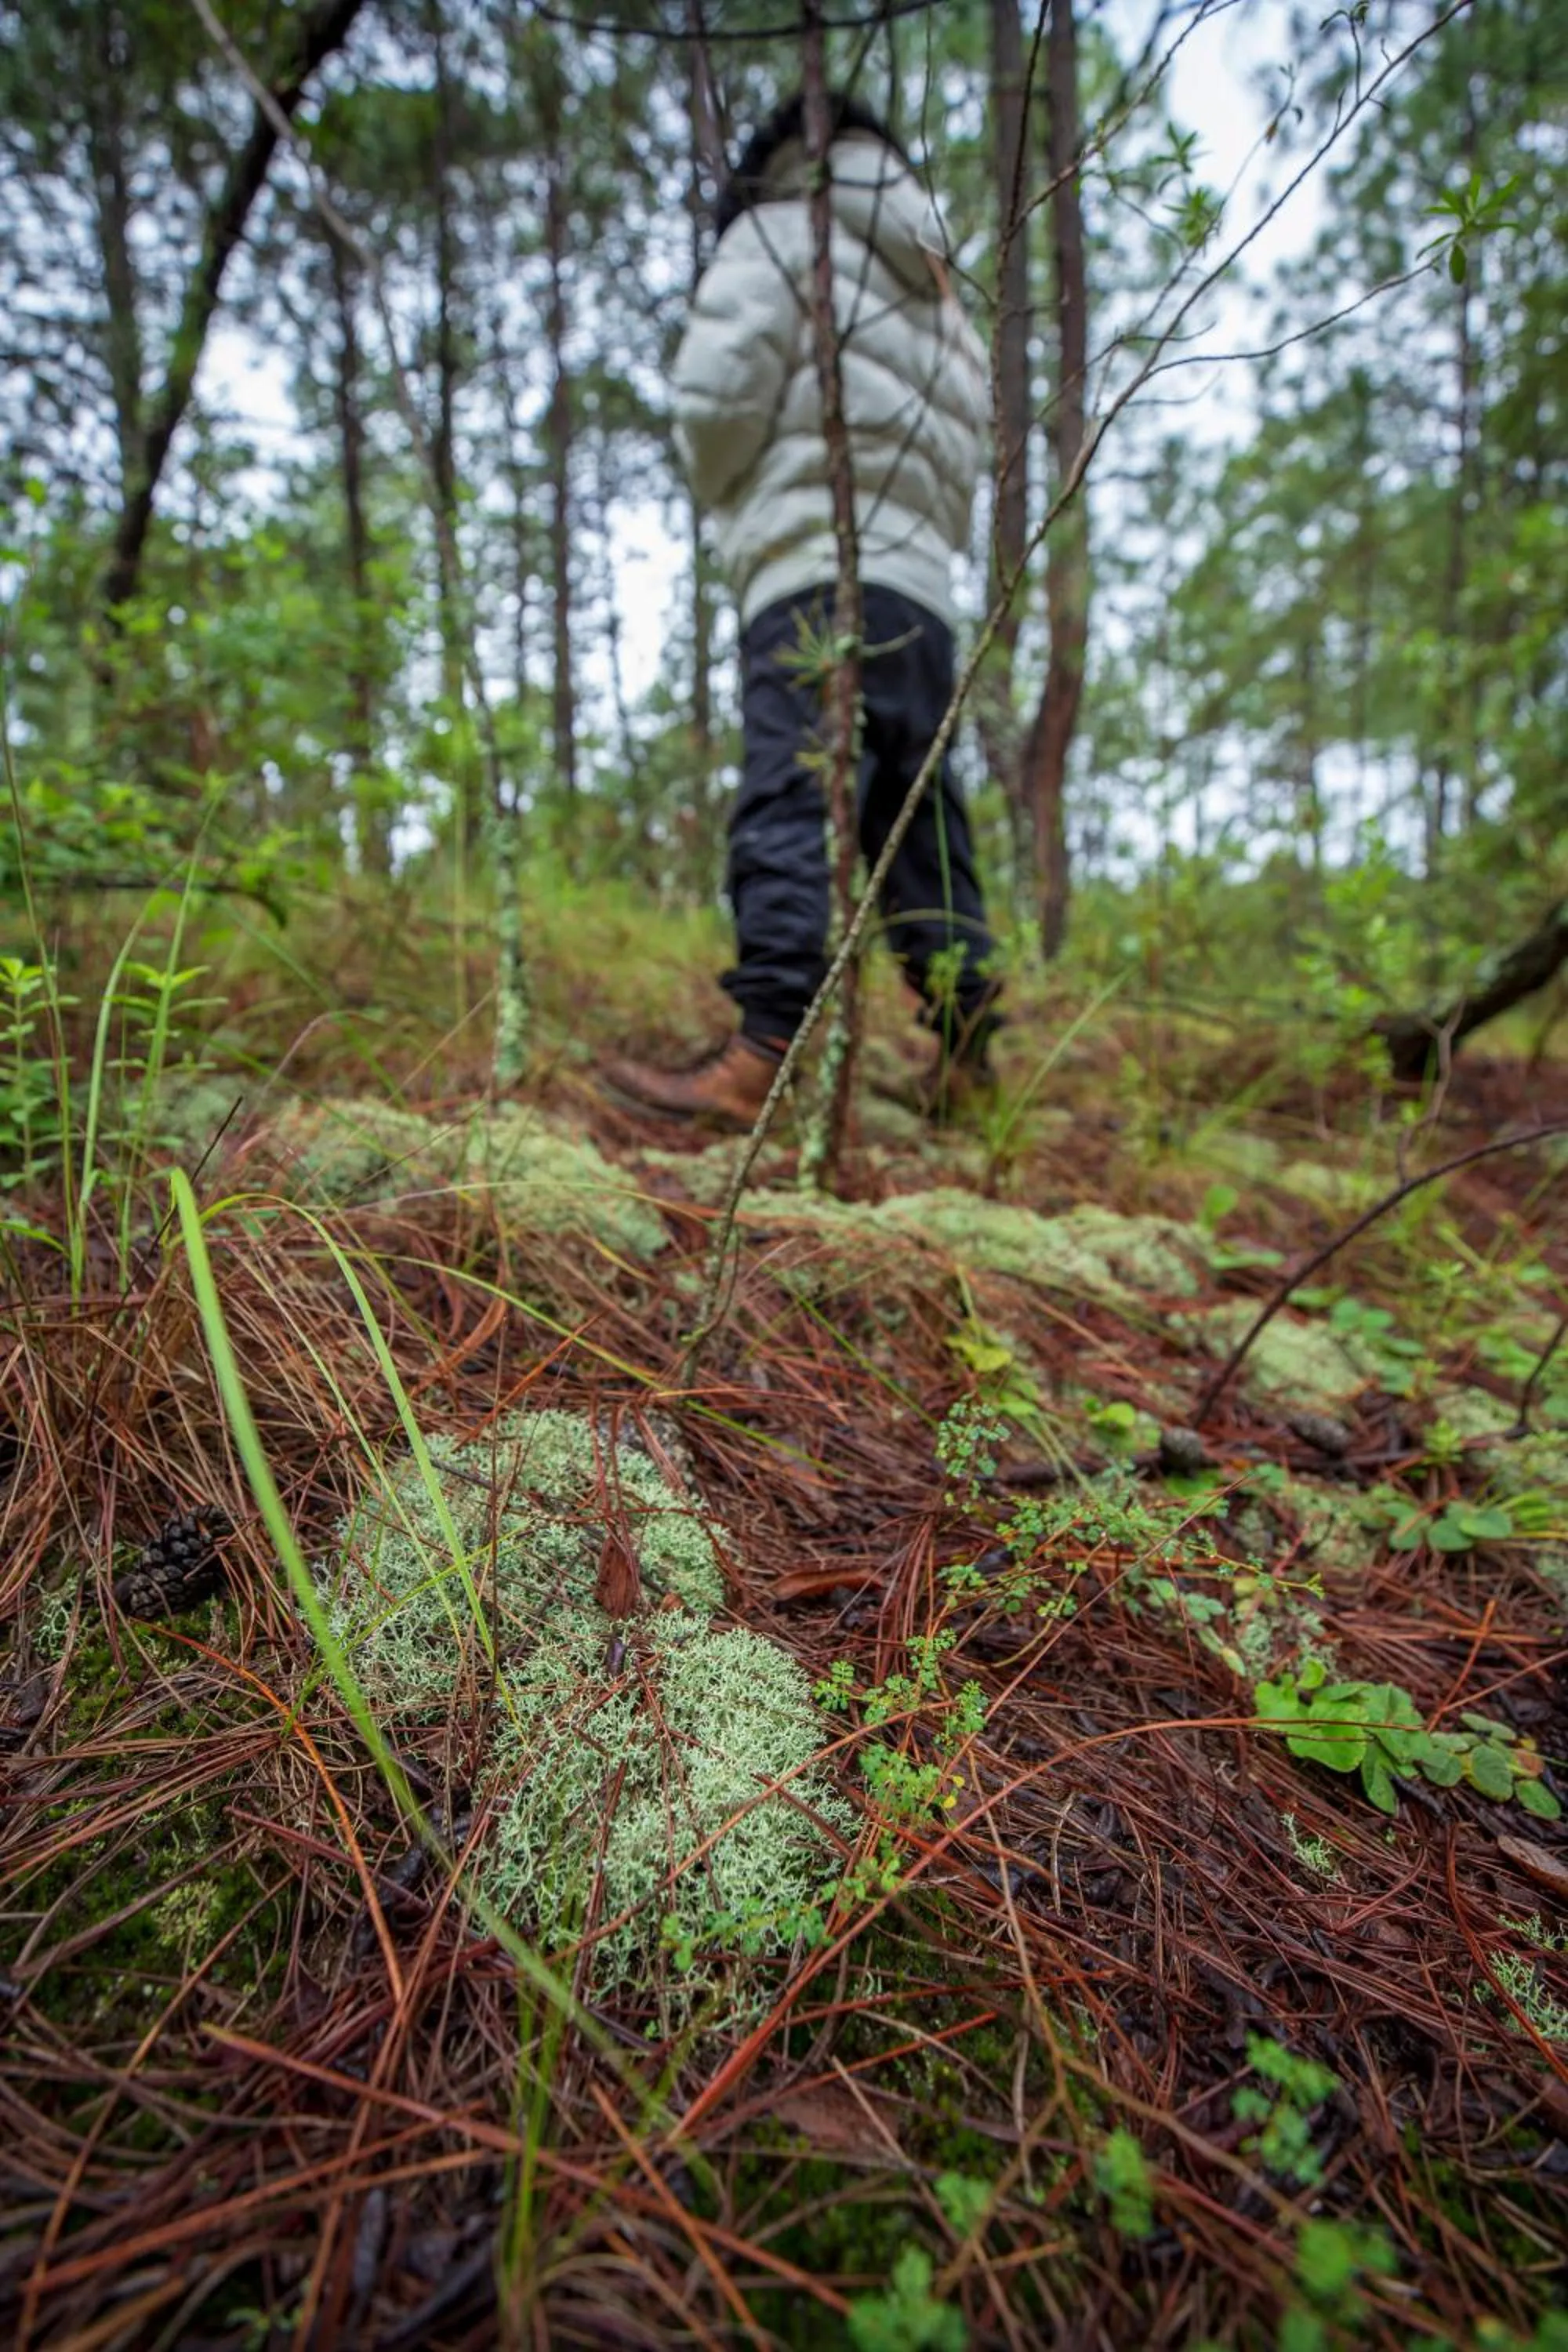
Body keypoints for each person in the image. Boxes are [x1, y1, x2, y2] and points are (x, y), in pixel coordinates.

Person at [603, 90, 1001, 1132]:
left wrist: (731, 490)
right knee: (924, 829)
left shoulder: (781, 235)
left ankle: (766, 1053)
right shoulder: (945, 299)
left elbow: (714, 410)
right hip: (927, 592)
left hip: (816, 568)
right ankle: (968, 1058)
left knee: (796, 794)